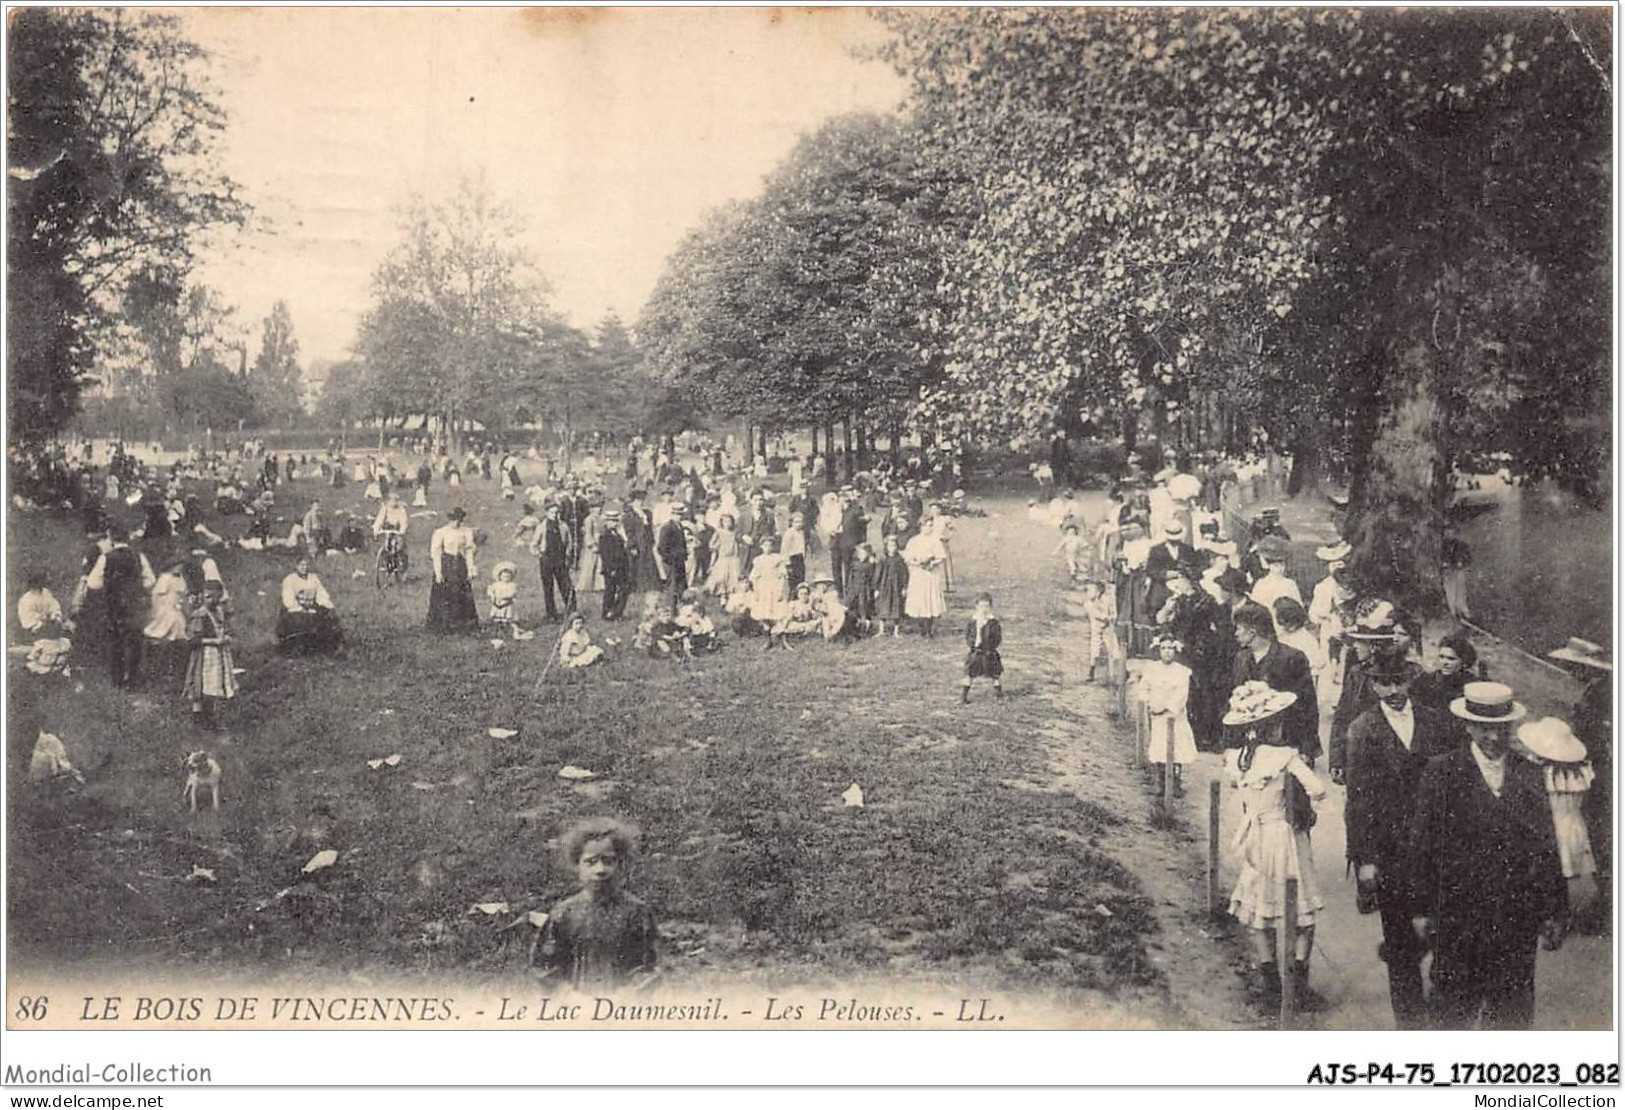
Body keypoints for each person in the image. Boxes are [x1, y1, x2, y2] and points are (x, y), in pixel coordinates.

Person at [1406, 682, 1564, 1029]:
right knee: (1452, 1010)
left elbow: (1546, 845)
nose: (1493, 738)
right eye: (1485, 729)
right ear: (1468, 726)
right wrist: (1419, 908)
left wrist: (1554, 910)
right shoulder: (1442, 772)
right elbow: (1422, 846)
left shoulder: (1528, 773)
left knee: (1511, 1012)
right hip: (1457, 916)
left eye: (1500, 729)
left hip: (1514, 918)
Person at [1343, 652, 1462, 1029]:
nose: (1392, 690)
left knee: (1444, 933)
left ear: (1410, 680)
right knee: (1400, 944)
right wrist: (1364, 859)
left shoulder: (1436, 722)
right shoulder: (1363, 730)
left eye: (1399, 681)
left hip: (1437, 849)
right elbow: (1357, 800)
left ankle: (1442, 1016)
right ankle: (1409, 1025)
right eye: (1384, 682)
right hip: (1390, 852)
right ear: (1373, 684)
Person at [1223, 681, 1327, 1015]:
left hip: (1255, 837)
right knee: (1303, 913)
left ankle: (1271, 984)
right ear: (1274, 724)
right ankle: (1297, 984)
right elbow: (1318, 789)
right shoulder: (1284, 756)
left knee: (1259, 911)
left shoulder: (1236, 758)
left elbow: (1238, 787)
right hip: (1283, 836)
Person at [532, 818, 657, 990]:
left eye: (608, 861)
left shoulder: (637, 912)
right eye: (591, 862)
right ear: (577, 865)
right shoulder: (563, 914)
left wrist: (626, 997)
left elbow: (649, 967)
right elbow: (544, 966)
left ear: (621, 865)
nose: (600, 870)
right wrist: (568, 997)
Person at [1513, 717, 1599, 931]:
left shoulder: (1543, 774)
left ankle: (1554, 913)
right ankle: (1571, 913)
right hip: (1575, 824)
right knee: (1571, 870)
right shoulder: (1580, 773)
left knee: (1552, 869)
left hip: (1552, 824)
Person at [1230, 603, 1320, 763]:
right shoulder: (1241, 659)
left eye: (1239, 628)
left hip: (1285, 741)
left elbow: (1308, 705)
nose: (1235, 634)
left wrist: (1306, 748)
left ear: (1253, 631)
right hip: (1251, 743)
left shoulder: (1292, 657)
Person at [83, 524, 155, 688]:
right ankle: (133, 680)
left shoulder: (106, 557)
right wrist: (137, 587)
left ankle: (117, 681)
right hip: (134, 605)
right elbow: (151, 580)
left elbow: (93, 583)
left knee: (116, 641)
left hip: (113, 605)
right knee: (134, 640)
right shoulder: (139, 556)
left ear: (112, 539)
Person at [1144, 632, 1196, 795]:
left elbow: (1181, 695)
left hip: (1175, 716)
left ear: (1175, 650)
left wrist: (1167, 708)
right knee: (1160, 748)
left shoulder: (1182, 672)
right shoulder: (1152, 668)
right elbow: (1144, 688)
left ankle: (1176, 783)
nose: (1167, 651)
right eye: (1164, 648)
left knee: (1177, 749)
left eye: (1170, 648)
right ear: (1159, 650)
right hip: (1158, 716)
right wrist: (1151, 704)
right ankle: (1161, 781)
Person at [184, 580, 237, 727]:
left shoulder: (219, 611)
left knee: (216, 683)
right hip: (205, 654)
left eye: (215, 597)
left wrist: (227, 636)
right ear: (203, 596)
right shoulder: (200, 614)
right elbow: (193, 639)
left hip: (219, 654)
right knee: (202, 683)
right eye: (208, 597)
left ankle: (211, 717)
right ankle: (199, 718)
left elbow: (227, 628)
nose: (212, 600)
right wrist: (214, 641)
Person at [277, 554, 344, 656]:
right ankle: (296, 646)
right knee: (300, 622)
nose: (304, 568)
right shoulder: (290, 580)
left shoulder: (313, 578)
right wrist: (301, 609)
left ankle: (331, 645)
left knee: (327, 618)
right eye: (301, 565)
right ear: (296, 566)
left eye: (305, 565)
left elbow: (321, 594)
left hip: (311, 608)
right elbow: (289, 600)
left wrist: (328, 605)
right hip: (294, 611)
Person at [427, 508, 480, 633]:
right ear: (449, 519)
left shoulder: (466, 531)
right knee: (445, 592)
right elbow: (436, 553)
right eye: (454, 519)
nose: (456, 522)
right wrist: (438, 572)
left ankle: (463, 625)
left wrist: (471, 568)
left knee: (462, 592)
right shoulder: (440, 532)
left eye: (459, 519)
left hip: (460, 563)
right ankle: (444, 625)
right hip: (446, 564)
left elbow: (469, 551)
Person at [1409, 633, 1477, 714]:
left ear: (1464, 661)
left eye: (1451, 659)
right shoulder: (1424, 680)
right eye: (1441, 657)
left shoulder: (1471, 684)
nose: (1444, 663)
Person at [902, 523, 948, 638]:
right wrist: (917, 562)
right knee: (920, 600)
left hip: (931, 574)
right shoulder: (914, 541)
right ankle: (922, 627)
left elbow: (941, 557)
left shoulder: (935, 541)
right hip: (918, 574)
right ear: (921, 526)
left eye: (931, 525)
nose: (930, 528)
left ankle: (929, 629)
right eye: (928, 525)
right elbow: (907, 558)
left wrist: (932, 562)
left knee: (930, 599)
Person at [533, 501, 575, 622]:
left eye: (557, 513)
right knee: (548, 587)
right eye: (552, 512)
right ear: (547, 513)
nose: (555, 515)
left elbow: (569, 543)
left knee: (566, 585)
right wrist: (539, 554)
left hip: (560, 559)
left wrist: (567, 555)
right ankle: (551, 614)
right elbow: (534, 544)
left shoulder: (563, 526)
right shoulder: (542, 527)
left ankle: (572, 611)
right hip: (546, 559)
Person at [961, 592, 1003, 703]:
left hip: (989, 652)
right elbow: (968, 636)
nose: (984, 609)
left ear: (990, 607)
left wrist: (991, 647)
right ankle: (963, 696)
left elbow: (997, 638)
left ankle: (998, 694)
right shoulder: (973, 621)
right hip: (977, 652)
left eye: (987, 606)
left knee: (995, 674)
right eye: (982, 606)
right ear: (976, 606)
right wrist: (973, 643)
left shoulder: (993, 622)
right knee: (969, 673)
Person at [598, 510, 632, 622]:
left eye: (615, 521)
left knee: (624, 590)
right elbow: (605, 555)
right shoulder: (604, 536)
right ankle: (607, 613)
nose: (613, 523)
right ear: (606, 522)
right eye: (611, 521)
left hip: (621, 567)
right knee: (610, 591)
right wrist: (611, 569)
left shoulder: (618, 534)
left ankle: (617, 612)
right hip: (611, 568)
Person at [654, 502, 689, 608]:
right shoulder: (667, 527)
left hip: (679, 560)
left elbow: (682, 543)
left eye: (680, 515)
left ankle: (679, 606)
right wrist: (669, 558)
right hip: (671, 561)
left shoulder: (680, 526)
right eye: (677, 514)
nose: (679, 517)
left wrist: (684, 554)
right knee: (672, 585)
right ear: (672, 515)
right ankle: (670, 608)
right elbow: (661, 547)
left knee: (681, 584)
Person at [873, 534, 908, 639]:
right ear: (886, 547)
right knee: (882, 606)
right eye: (890, 546)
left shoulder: (899, 560)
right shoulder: (883, 559)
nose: (892, 548)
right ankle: (881, 630)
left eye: (894, 546)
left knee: (896, 607)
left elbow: (904, 574)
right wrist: (876, 588)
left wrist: (904, 587)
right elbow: (877, 574)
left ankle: (896, 631)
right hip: (884, 586)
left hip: (896, 587)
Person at [843, 542, 877, 635]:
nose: (861, 555)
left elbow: (873, 578)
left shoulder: (870, 565)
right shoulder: (854, 564)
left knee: (863, 605)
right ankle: (850, 623)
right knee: (849, 604)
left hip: (864, 588)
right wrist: (848, 587)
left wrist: (873, 589)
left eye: (863, 553)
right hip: (854, 587)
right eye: (859, 553)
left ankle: (865, 625)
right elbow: (850, 577)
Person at [486, 561, 526, 640]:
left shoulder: (511, 585)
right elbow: (490, 590)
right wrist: (492, 595)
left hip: (507, 604)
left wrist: (503, 597)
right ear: (499, 576)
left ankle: (514, 631)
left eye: (508, 576)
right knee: (498, 619)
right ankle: (498, 633)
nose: (506, 578)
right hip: (497, 604)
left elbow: (512, 594)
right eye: (504, 576)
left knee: (509, 620)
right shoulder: (496, 584)